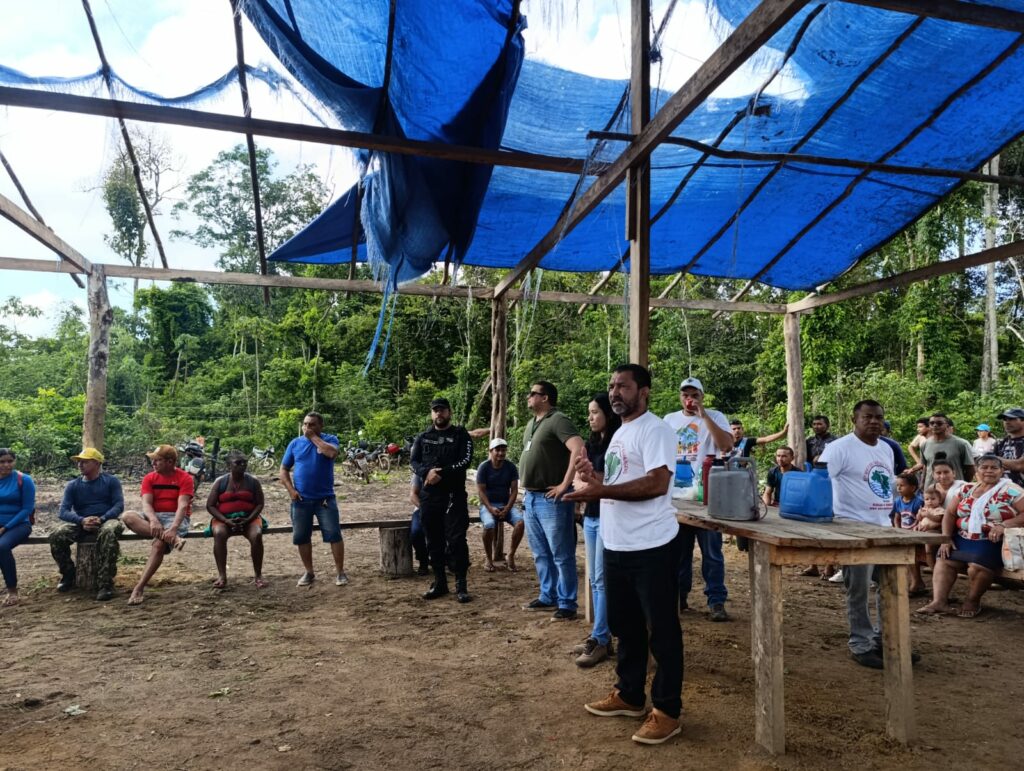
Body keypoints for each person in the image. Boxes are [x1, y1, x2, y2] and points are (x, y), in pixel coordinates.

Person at [566, 364, 683, 746]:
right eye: (612, 386)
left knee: (662, 632)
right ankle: (630, 695)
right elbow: (619, 483)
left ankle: (667, 712)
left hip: (651, 545)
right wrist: (595, 478)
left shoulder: (656, 429)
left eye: (624, 386)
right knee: (626, 627)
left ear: (644, 391)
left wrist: (599, 492)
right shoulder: (620, 433)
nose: (615, 392)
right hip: (617, 545)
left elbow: (657, 483)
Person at [819, 400, 902, 669]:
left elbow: (887, 484)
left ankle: (885, 640)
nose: (874, 422)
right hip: (852, 527)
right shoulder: (839, 448)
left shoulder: (887, 449)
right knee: (858, 589)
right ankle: (861, 644)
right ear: (854, 419)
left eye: (879, 417)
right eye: (867, 417)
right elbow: (819, 481)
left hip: (883, 525)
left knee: (890, 586)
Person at [917, 454, 1024, 618]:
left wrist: (1004, 525)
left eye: (994, 467)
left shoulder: (1011, 490)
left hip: (992, 541)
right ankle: (939, 602)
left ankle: (972, 601)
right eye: (984, 467)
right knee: (944, 559)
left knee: (977, 567)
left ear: (1002, 471)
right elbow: (950, 514)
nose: (989, 471)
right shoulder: (966, 489)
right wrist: (946, 538)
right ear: (976, 471)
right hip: (962, 537)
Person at [663, 376, 733, 621]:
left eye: (695, 395)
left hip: (707, 499)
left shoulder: (716, 416)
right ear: (679, 396)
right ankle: (679, 598)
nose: (689, 399)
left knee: (712, 554)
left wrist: (704, 416)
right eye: (685, 394)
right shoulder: (668, 420)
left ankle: (716, 601)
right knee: (679, 554)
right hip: (676, 498)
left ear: (702, 396)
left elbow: (726, 446)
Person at [518, 381, 585, 620]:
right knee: (540, 553)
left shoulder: (558, 420)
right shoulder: (532, 424)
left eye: (533, 393)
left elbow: (578, 447)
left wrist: (566, 484)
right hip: (532, 497)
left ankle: (567, 603)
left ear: (545, 398)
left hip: (551, 499)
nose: (528, 397)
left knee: (561, 553)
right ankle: (548, 596)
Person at [573, 392, 621, 668]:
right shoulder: (590, 445)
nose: (590, 417)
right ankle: (600, 635)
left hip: (608, 516)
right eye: (589, 412)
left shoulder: (617, 442)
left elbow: (606, 482)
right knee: (594, 579)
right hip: (591, 515)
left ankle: (601, 639)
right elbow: (582, 482)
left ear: (608, 414)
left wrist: (589, 481)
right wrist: (587, 481)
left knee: (602, 579)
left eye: (594, 412)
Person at [411, 397, 474, 603]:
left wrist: (443, 473)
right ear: (432, 414)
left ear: (449, 412)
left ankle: (461, 584)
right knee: (433, 540)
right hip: (430, 497)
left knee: (456, 540)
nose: (439, 413)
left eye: (443, 410)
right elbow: (414, 461)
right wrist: (426, 473)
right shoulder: (423, 437)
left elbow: (466, 461)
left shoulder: (460, 434)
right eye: (435, 410)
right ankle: (439, 582)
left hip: (454, 495)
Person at [280, 411, 347, 588]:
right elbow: (283, 469)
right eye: (305, 424)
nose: (307, 428)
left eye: (311, 425)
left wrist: (313, 438)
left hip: (325, 499)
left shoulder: (330, 439)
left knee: (334, 534)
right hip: (301, 500)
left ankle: (340, 573)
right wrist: (291, 490)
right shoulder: (295, 443)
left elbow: (332, 453)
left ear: (320, 426)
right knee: (302, 537)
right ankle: (309, 572)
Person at [121, 445, 194, 606]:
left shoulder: (185, 478)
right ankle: (174, 540)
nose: (153, 463)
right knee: (128, 516)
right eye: (153, 460)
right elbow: (146, 503)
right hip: (154, 515)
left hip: (175, 517)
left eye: (157, 460)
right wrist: (153, 520)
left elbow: (182, 506)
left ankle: (139, 587)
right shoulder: (149, 478)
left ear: (170, 462)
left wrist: (174, 527)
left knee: (159, 544)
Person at [48, 447, 124, 601]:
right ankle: (68, 574)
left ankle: (105, 583)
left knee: (109, 532)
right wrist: (81, 520)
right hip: (82, 522)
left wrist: (101, 519)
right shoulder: (73, 485)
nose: (80, 465)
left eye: (84, 462)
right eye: (79, 462)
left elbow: (118, 506)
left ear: (96, 463)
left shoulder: (111, 481)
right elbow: (63, 511)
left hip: (106, 520)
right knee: (56, 534)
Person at [206, 450, 267, 589]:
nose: (242, 465)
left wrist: (248, 519)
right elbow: (210, 505)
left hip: (249, 518)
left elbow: (259, 504)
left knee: (256, 535)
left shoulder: (253, 482)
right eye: (238, 463)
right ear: (229, 466)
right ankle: (222, 575)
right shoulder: (220, 482)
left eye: (244, 462)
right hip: (224, 519)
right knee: (219, 533)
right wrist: (226, 520)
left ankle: (258, 575)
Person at [476, 438, 524, 573]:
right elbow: (481, 491)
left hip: (505, 505)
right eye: (497, 450)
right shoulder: (484, 467)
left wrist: (507, 508)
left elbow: (514, 490)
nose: (501, 453)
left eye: (503, 450)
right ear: (491, 451)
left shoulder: (510, 467)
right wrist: (490, 508)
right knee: (489, 525)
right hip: (488, 505)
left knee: (520, 523)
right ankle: (489, 558)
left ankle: (511, 555)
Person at [0, 448, 35, 607]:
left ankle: (12, 590)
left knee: (1, 546)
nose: (6, 465)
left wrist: (6, 527)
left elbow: (27, 509)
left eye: (10, 461)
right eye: (2, 462)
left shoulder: (24, 480)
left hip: (19, 524)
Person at [890, 471, 925, 595]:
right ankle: (915, 581)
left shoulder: (918, 502)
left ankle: (916, 582)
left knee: (910, 554)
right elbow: (897, 517)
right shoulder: (898, 501)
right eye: (898, 485)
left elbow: (920, 519)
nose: (898, 488)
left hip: (915, 534)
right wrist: (898, 529)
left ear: (913, 488)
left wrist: (913, 530)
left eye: (902, 485)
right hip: (904, 533)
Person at [921, 413, 974, 487]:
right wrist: (922, 484)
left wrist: (963, 485)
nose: (935, 425)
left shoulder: (961, 444)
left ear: (947, 425)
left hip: (955, 490)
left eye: (939, 423)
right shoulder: (925, 444)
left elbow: (970, 468)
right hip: (932, 490)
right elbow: (925, 466)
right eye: (932, 423)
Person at [994, 407, 1024, 485]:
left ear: (1023, 420)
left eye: (1011, 419)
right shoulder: (1000, 443)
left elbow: (1019, 465)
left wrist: (993, 458)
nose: (1007, 422)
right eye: (1005, 419)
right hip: (1003, 491)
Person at [409, 475, 430, 575]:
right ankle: (423, 560)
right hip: (422, 508)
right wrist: (423, 508)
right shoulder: (419, 473)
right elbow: (413, 495)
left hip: (443, 508)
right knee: (416, 532)